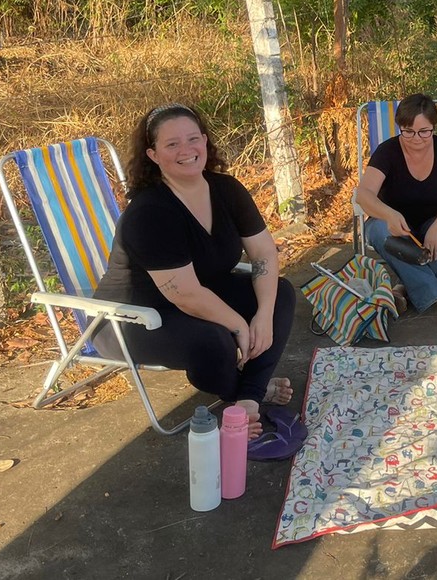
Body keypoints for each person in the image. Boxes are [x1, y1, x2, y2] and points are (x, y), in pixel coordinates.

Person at [97, 103, 297, 448]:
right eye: (172, 144)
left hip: (198, 296)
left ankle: (248, 397)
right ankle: (248, 391)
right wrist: (238, 324)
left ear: (205, 141)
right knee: (214, 340)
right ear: (153, 154)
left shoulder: (226, 189)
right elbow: (184, 293)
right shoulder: (150, 212)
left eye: (193, 139)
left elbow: (263, 252)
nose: (186, 150)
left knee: (281, 292)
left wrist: (262, 315)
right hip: (131, 319)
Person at [356, 93, 437, 319]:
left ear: (433, 127)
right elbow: (363, 194)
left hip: (433, 225)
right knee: (377, 229)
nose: (416, 138)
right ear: (399, 127)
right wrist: (389, 214)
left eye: (424, 132)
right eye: (408, 131)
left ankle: (404, 288)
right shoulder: (387, 151)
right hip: (396, 231)